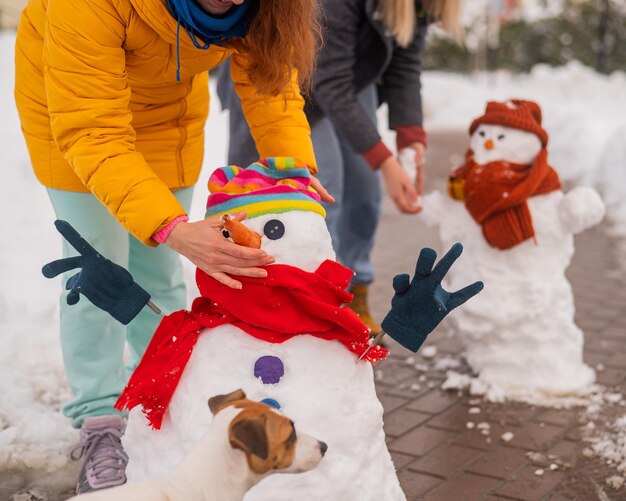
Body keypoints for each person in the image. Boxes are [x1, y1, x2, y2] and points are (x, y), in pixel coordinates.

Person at [14, 0, 329, 492]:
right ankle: (100, 422)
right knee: (101, 275)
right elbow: (94, 131)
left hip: (168, 124)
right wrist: (172, 226)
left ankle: (161, 396)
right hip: (76, 116)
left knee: (159, 273)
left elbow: (271, 88)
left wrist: (295, 175)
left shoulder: (265, 7)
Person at [217, 0, 462, 335]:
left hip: (346, 79)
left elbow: (404, 63)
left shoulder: (420, 5)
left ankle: (352, 290)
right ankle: (300, 300)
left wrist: (410, 136)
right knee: (320, 191)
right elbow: (329, 81)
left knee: (365, 190)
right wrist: (386, 162)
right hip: (283, 72)